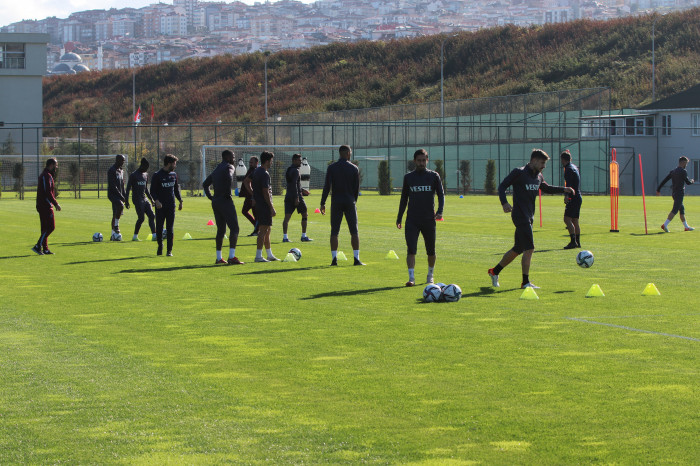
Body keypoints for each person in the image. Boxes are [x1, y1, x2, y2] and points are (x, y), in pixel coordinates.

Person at [488, 149, 574, 289]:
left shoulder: (538, 176)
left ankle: (494, 271)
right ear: (533, 160)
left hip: (530, 216)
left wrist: (564, 189)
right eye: (542, 163)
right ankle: (525, 282)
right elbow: (502, 186)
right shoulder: (519, 172)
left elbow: (546, 188)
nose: (544, 166)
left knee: (518, 249)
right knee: (530, 248)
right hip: (520, 215)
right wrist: (504, 202)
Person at [396, 149, 445, 286]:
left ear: (427, 160)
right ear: (414, 161)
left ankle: (430, 275)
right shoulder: (409, 177)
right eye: (419, 160)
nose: (421, 163)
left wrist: (440, 211)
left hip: (429, 219)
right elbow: (404, 199)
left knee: (431, 250)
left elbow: (441, 195)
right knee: (411, 249)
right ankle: (411, 278)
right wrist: (399, 217)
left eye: (424, 160)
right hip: (412, 219)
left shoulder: (434, 176)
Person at [321, 145, 363, 266]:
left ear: (340, 154)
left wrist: (323, 202)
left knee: (334, 231)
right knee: (354, 231)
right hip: (349, 201)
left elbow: (327, 186)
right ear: (348, 153)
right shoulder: (354, 168)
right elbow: (356, 188)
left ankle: (334, 259)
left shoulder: (332, 167)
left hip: (336, 202)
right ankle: (356, 259)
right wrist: (353, 201)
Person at [203, 150, 244, 265]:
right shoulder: (229, 166)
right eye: (233, 156)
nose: (234, 158)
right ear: (227, 156)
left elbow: (205, 184)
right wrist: (226, 189)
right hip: (225, 200)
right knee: (235, 228)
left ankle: (219, 258)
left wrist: (211, 197)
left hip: (216, 201)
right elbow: (229, 176)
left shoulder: (216, 169)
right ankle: (231, 257)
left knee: (221, 230)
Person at [150, 154, 183, 256]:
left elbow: (176, 189)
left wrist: (180, 200)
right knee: (159, 228)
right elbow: (152, 191)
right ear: (169, 163)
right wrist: (156, 200)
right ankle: (160, 246)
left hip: (171, 206)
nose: (175, 166)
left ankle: (169, 251)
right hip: (160, 207)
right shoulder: (157, 175)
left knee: (170, 228)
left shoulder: (173, 174)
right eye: (174, 163)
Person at [251, 151, 278, 262]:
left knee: (267, 230)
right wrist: (271, 207)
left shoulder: (257, 171)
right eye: (271, 161)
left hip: (259, 204)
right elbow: (265, 191)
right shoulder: (264, 173)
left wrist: (254, 198)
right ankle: (258, 256)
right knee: (263, 230)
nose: (271, 163)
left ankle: (269, 254)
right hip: (264, 205)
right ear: (267, 161)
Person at [657, 156, 695, 232]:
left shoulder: (673, 171)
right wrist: (692, 181)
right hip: (679, 194)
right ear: (683, 162)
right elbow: (687, 182)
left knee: (682, 209)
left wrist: (658, 189)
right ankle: (665, 225)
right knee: (675, 210)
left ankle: (686, 227)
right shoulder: (683, 171)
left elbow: (665, 180)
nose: (686, 165)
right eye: (686, 163)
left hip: (674, 193)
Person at [32, 158, 61, 255]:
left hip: (42, 205)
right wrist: (56, 203)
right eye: (56, 165)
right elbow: (47, 192)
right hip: (45, 205)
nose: (56, 167)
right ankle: (37, 246)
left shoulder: (46, 175)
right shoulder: (46, 176)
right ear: (51, 165)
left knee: (44, 228)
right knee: (51, 227)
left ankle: (45, 249)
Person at [282, 153, 312, 243]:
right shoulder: (295, 171)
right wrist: (297, 197)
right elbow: (294, 184)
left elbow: (292, 184)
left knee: (286, 218)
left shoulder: (289, 170)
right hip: (296, 196)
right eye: (299, 160)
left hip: (288, 196)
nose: (301, 162)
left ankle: (285, 237)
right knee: (305, 214)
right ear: (294, 160)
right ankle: (303, 236)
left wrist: (302, 190)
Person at [125, 157, 157, 241]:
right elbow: (128, 188)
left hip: (144, 198)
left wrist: (151, 199)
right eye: (146, 167)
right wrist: (126, 201)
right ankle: (135, 237)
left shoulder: (145, 175)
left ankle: (154, 236)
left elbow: (145, 189)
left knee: (151, 215)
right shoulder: (133, 175)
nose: (147, 169)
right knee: (141, 218)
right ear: (142, 165)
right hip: (137, 199)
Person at [561, 150, 582, 249]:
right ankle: (578, 242)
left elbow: (568, 184)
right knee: (575, 221)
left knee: (567, 219)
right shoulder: (574, 167)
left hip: (572, 197)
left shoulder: (568, 169)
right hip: (578, 196)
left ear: (562, 160)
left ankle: (573, 242)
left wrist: (566, 196)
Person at [107, 154, 127, 240]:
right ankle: (116, 226)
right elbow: (113, 186)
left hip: (119, 195)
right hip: (112, 194)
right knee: (120, 206)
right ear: (117, 160)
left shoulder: (121, 170)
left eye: (124, 160)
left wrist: (125, 196)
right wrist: (121, 196)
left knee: (116, 213)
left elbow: (122, 184)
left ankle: (113, 235)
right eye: (122, 160)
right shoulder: (112, 170)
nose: (123, 162)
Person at [239, 156, 259, 236]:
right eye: (250, 162)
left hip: (252, 196)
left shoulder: (255, 171)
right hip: (249, 196)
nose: (250, 164)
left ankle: (257, 229)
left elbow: (247, 182)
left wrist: (253, 194)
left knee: (255, 213)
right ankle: (256, 226)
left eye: (252, 162)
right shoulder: (251, 170)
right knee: (245, 211)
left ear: (256, 163)